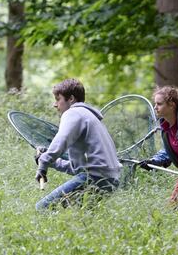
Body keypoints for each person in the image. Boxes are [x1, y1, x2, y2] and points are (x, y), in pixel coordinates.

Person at [35, 78, 121, 210]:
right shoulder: (87, 116)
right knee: (80, 217)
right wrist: (51, 162)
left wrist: (44, 163)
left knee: (42, 208)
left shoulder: (73, 113)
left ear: (71, 99)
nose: (55, 104)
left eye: (58, 99)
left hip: (95, 177)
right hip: (110, 180)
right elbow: (79, 168)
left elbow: (62, 139)